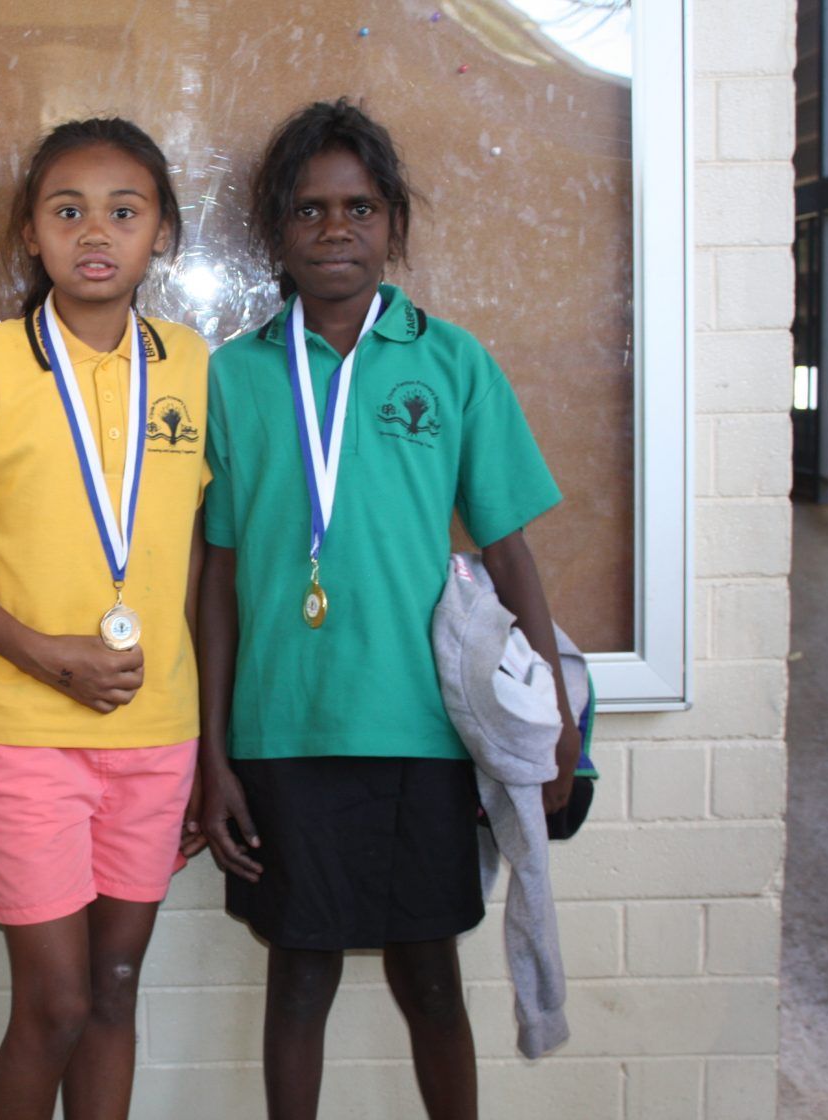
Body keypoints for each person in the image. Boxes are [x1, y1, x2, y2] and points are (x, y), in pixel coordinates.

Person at [195, 98, 580, 1120]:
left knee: (430, 977)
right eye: (311, 210)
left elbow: (509, 552)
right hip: (283, 730)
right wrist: (215, 752)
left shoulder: (450, 362)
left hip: (422, 729)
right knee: (301, 972)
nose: (336, 230)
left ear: (392, 224)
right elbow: (218, 580)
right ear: (275, 230)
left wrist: (558, 724)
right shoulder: (234, 377)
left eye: (360, 208)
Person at [0, 118, 210, 1120]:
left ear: (164, 234)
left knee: (114, 992)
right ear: (31, 233)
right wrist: (43, 656)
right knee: (55, 1002)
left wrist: (213, 749)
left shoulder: (191, 365)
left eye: (125, 210)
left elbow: (204, 551)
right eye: (67, 211)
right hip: (27, 736)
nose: (95, 232)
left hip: (157, 736)